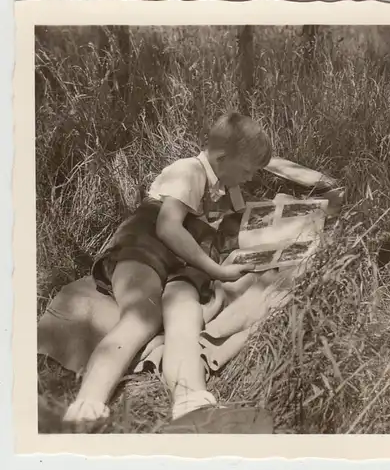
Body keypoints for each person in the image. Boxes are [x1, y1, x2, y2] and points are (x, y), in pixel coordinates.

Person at [62, 112, 274, 432]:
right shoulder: (188, 171)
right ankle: (87, 405)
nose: (249, 178)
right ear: (221, 157)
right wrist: (215, 268)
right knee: (142, 316)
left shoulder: (225, 187)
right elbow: (167, 227)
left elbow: (240, 212)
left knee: (186, 317)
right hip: (146, 248)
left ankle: (191, 401)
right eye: (246, 171)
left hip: (185, 264)